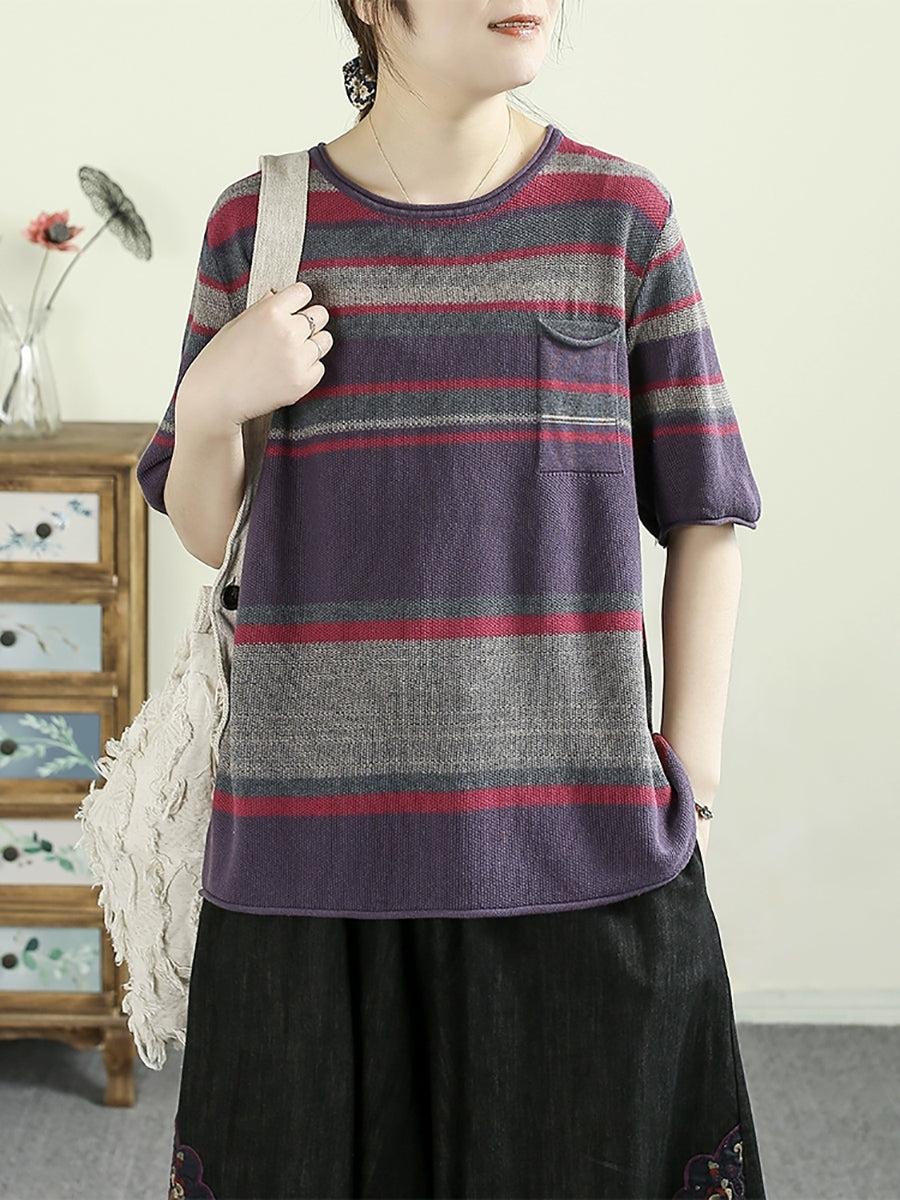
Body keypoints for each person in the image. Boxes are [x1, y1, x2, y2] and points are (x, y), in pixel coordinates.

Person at [139, 1, 768, 1196]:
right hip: (308, 860)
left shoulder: (619, 220)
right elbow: (214, 535)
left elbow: (706, 513)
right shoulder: (259, 224)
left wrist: (692, 777)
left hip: (576, 845)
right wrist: (214, 401)